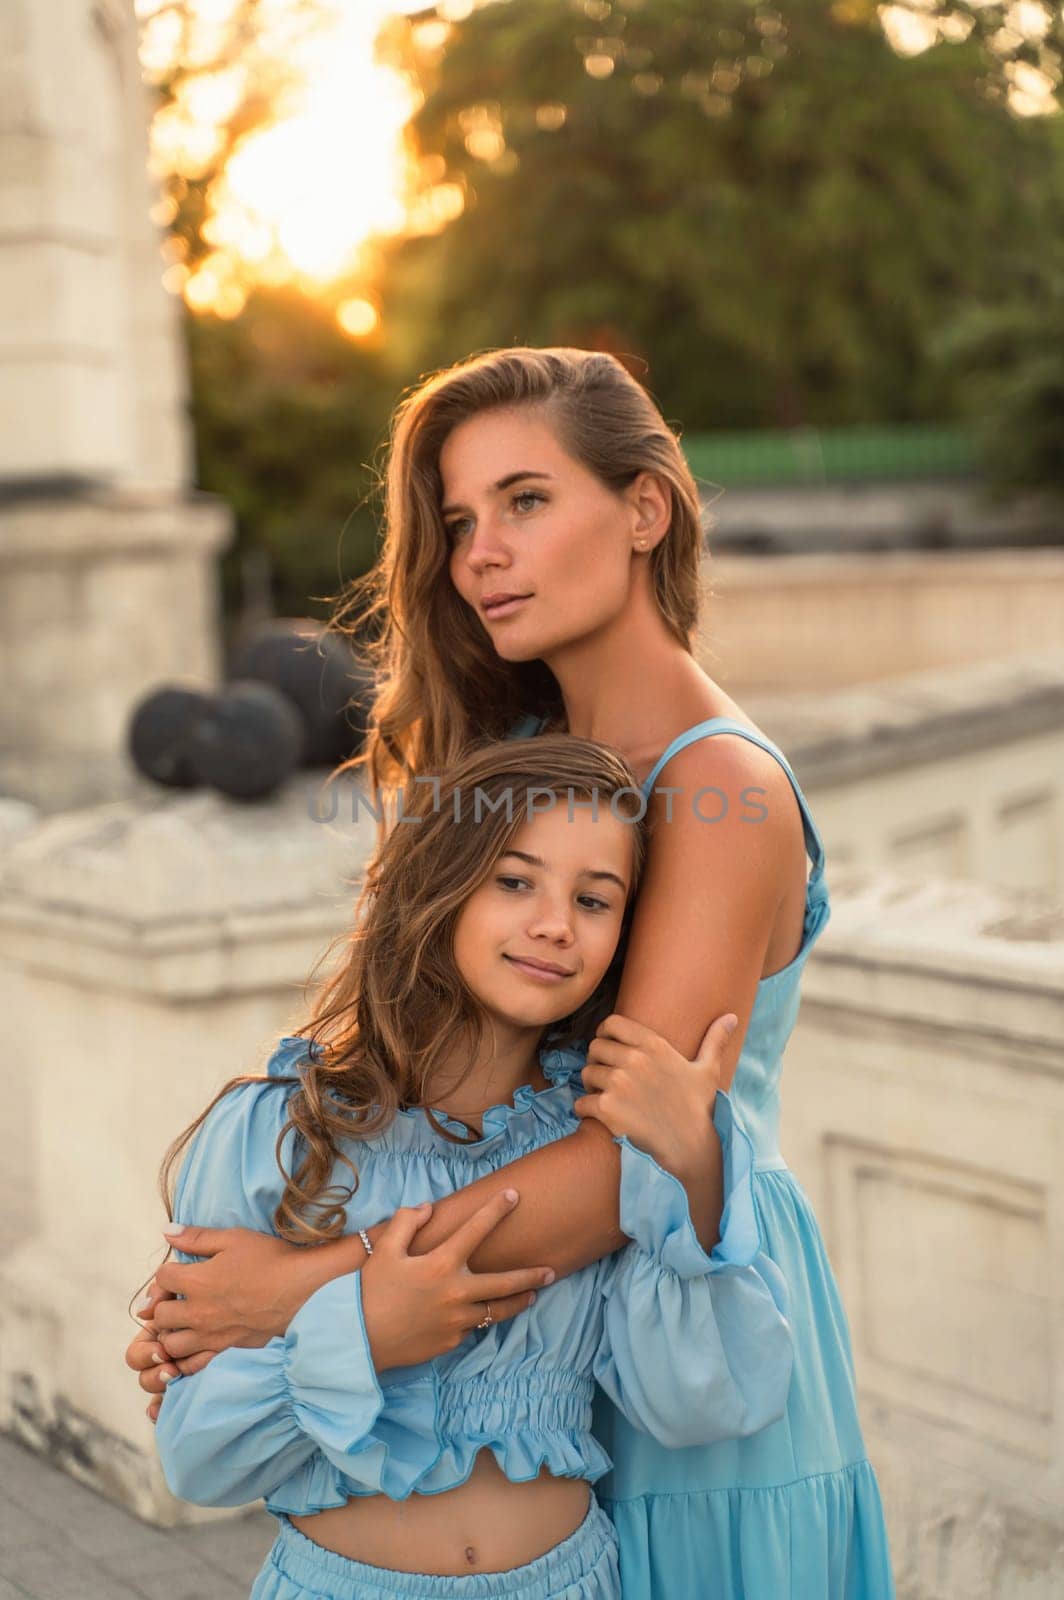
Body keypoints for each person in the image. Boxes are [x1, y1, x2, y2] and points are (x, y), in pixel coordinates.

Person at [129, 346, 895, 1597]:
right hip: (519, 1344)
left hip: (680, 1321)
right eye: (458, 521)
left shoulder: (716, 790)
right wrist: (225, 1298)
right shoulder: (525, 753)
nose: (479, 551)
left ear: (643, 509)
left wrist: (297, 1292)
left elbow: (623, 1158)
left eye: (525, 501)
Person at [151, 735, 792, 1600]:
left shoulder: (601, 1146)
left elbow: (705, 1405)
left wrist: (694, 1169)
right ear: (437, 885)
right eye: (514, 881)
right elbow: (200, 1460)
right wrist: (367, 1329)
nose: (555, 924)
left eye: (595, 900)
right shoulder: (279, 1135)